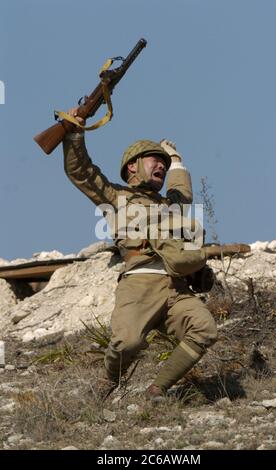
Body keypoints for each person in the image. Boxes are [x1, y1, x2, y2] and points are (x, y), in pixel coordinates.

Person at [63, 108, 218, 399]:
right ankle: (106, 382)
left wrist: (177, 161)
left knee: (204, 329)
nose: (161, 165)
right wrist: (74, 132)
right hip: (139, 282)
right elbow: (81, 172)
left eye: (163, 162)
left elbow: (181, 193)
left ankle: (157, 389)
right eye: (154, 159)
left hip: (176, 285)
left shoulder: (167, 204)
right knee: (127, 343)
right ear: (132, 166)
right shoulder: (116, 197)